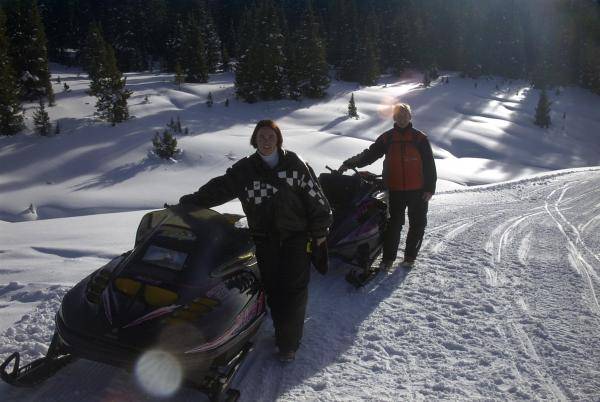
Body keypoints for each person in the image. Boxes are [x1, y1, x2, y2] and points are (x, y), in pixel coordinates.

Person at [179, 120, 332, 362]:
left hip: (296, 239)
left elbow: (317, 199)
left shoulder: (296, 165)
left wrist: (320, 232)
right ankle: (283, 326)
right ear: (254, 140)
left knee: (294, 290)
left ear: (278, 139)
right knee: (272, 288)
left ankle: (288, 345)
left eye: (271, 136)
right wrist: (189, 202)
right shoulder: (245, 171)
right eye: (261, 137)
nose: (266, 141)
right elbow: (218, 189)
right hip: (264, 240)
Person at [339, 103, 436, 270]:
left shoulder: (420, 138)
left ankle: (410, 257)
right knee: (393, 225)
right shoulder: (387, 138)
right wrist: (349, 163)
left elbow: (429, 165)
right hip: (394, 190)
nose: (401, 118)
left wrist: (429, 188)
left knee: (418, 224)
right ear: (394, 117)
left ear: (410, 117)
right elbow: (369, 155)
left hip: (418, 191)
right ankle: (388, 259)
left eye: (405, 115)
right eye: (398, 115)